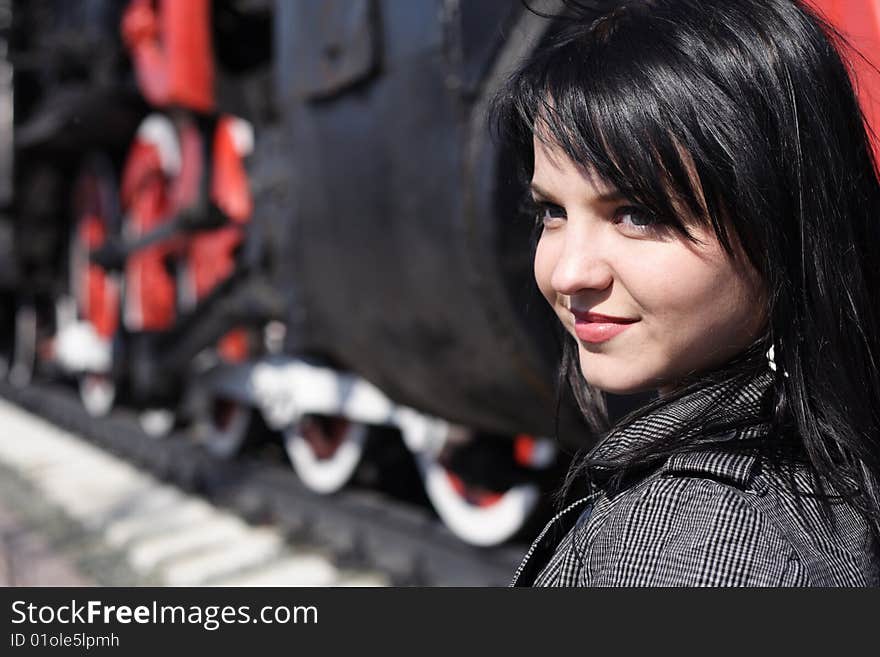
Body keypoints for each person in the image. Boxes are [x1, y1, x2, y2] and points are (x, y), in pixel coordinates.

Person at [493, 0, 880, 586]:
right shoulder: (829, 467)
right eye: (552, 211)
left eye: (637, 215)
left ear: (782, 220)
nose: (569, 273)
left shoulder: (691, 535)